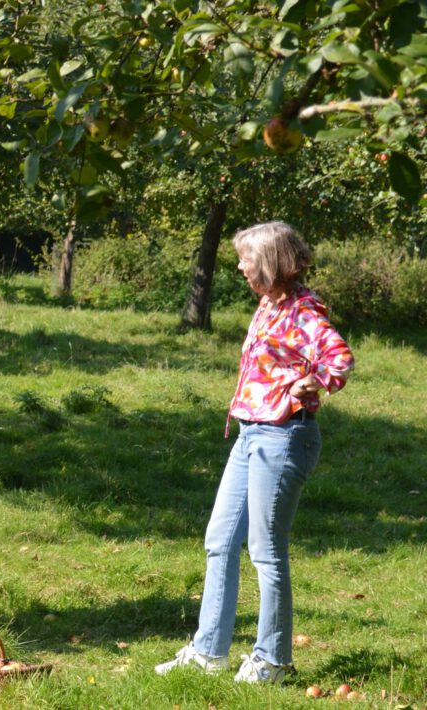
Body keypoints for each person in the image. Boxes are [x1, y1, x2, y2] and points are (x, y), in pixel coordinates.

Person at [155, 221, 354, 683]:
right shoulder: (270, 304)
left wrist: (313, 382)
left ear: (268, 261)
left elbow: (339, 357)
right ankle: (208, 652)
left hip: (283, 438)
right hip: (250, 435)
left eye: (246, 258)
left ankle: (273, 660)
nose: (240, 265)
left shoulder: (302, 311)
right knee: (220, 539)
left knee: (265, 550)